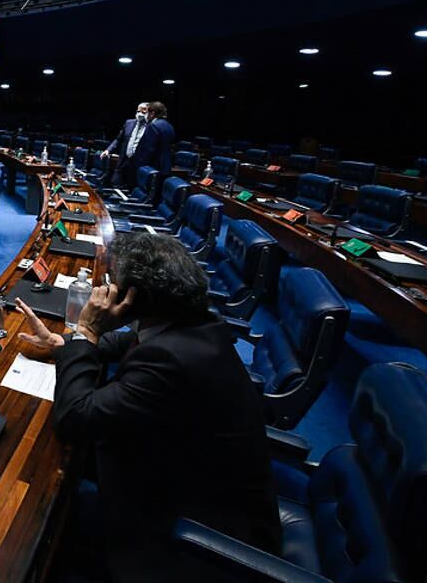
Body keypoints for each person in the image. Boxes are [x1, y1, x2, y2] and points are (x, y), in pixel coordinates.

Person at [16, 233, 280, 581]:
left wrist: (86, 330)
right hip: (186, 472)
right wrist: (64, 342)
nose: (104, 291)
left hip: (200, 533)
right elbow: (123, 340)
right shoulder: (192, 323)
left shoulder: (170, 360)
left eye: (112, 284)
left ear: (132, 298)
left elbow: (75, 418)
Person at [101, 101, 150, 187]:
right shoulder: (129, 123)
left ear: (149, 113)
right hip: (124, 160)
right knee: (115, 184)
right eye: (138, 111)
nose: (140, 114)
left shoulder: (151, 127)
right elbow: (118, 139)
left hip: (138, 164)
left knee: (132, 188)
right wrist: (108, 150)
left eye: (143, 112)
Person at [134, 100, 176, 190]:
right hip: (165, 167)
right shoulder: (169, 126)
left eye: (147, 113)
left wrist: (139, 167)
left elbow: (148, 150)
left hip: (152, 168)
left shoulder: (153, 126)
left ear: (152, 113)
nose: (146, 116)